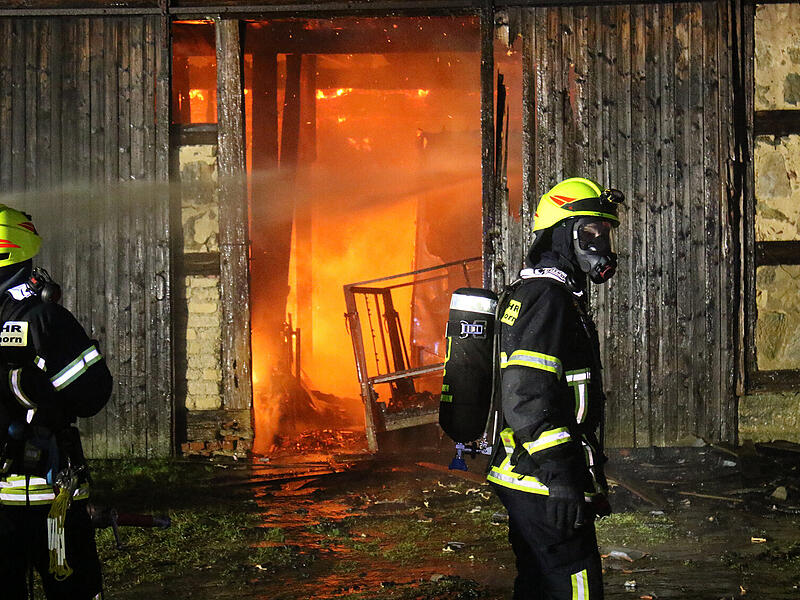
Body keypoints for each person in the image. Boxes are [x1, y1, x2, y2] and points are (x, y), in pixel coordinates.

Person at [487, 177, 623, 600]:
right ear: (563, 234)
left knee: (537, 586)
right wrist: (563, 478)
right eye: (591, 232)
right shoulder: (548, 298)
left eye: (605, 232)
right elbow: (526, 394)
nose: (601, 243)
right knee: (574, 588)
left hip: (528, 477)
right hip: (543, 482)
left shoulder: (538, 293)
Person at [0, 205, 112, 600]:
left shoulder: (40, 319)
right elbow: (93, 393)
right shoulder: (45, 320)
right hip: (51, 505)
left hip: (46, 499)